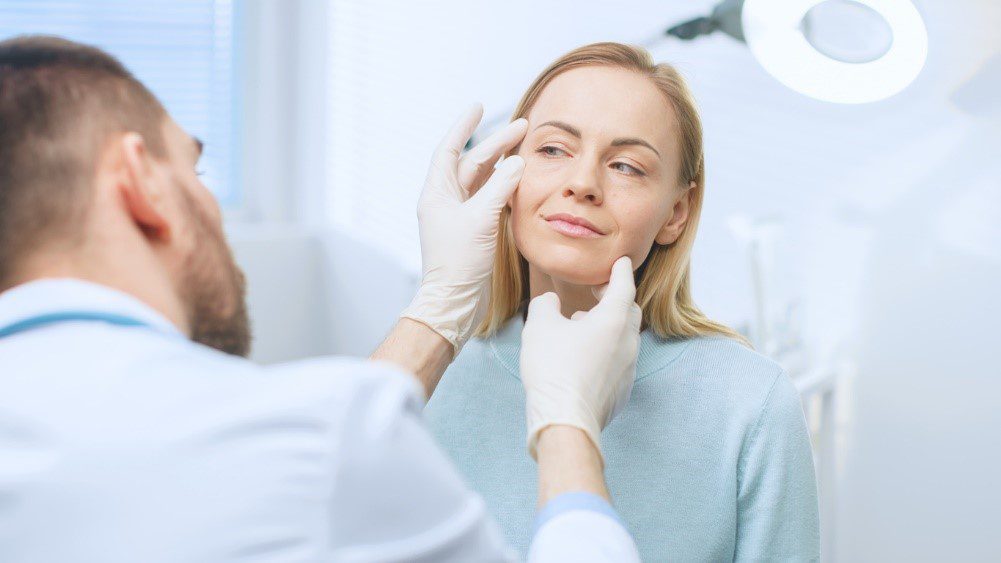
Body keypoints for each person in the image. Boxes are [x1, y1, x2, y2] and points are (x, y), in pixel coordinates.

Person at [0, 35, 643, 562]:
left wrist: (440, 306)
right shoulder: (311, 440)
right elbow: (322, 456)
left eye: (627, 164)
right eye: (194, 170)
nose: (581, 183)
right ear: (139, 182)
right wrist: (568, 427)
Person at [425, 42, 821, 561]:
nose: (583, 184)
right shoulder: (435, 376)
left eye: (627, 166)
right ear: (506, 172)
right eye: (553, 149)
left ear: (676, 211)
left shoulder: (750, 402)